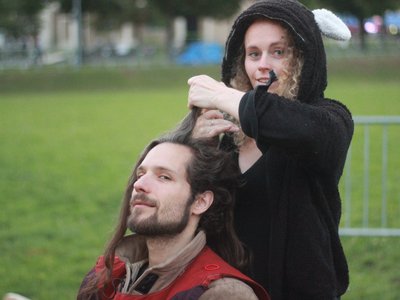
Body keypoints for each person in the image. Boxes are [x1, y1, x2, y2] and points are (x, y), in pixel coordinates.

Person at [181, 0, 354, 299]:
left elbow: (294, 126)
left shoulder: (330, 118)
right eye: (253, 53)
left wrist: (222, 94)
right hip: (231, 291)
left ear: (303, 57)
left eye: (278, 51)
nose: (262, 64)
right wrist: (195, 146)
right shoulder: (228, 133)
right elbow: (194, 207)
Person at [77, 135, 270, 299]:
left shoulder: (222, 293)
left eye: (164, 177)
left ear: (200, 202)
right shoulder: (107, 273)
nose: (139, 184)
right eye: (141, 173)